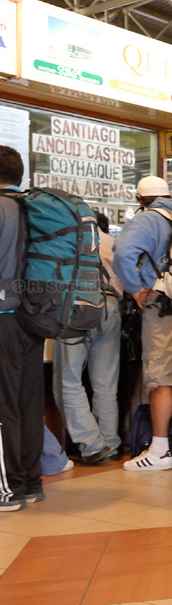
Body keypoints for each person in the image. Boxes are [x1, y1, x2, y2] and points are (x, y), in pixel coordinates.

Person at [115, 176, 172, 472]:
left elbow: (123, 254)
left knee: (159, 377)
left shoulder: (147, 220)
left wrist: (135, 287)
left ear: (141, 199)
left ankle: (159, 450)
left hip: (163, 304)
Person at [52, 212, 123, 465]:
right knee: (105, 383)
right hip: (111, 307)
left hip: (76, 306)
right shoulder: (111, 241)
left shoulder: (66, 239)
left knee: (68, 379)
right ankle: (110, 443)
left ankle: (92, 445)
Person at [0, 145, 46, 510]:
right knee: (29, 401)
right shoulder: (36, 208)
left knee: (5, 403)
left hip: (3, 316)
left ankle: (9, 489)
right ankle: (31, 482)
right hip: (35, 316)